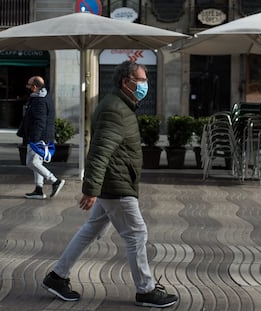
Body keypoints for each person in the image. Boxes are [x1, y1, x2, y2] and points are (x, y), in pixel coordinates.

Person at [42, 61, 178, 308]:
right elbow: (100, 151)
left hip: (115, 180)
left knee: (90, 230)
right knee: (136, 233)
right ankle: (145, 289)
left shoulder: (121, 105)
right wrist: (91, 189)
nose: (145, 85)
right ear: (126, 83)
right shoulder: (115, 109)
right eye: (141, 80)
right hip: (116, 183)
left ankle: (57, 276)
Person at [20, 76, 65, 199]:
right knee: (36, 162)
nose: (27, 87)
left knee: (32, 162)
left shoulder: (40, 100)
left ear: (35, 87)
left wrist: (35, 139)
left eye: (29, 85)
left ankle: (55, 181)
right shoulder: (41, 97)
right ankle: (38, 190)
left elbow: (40, 121)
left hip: (39, 138)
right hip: (40, 136)